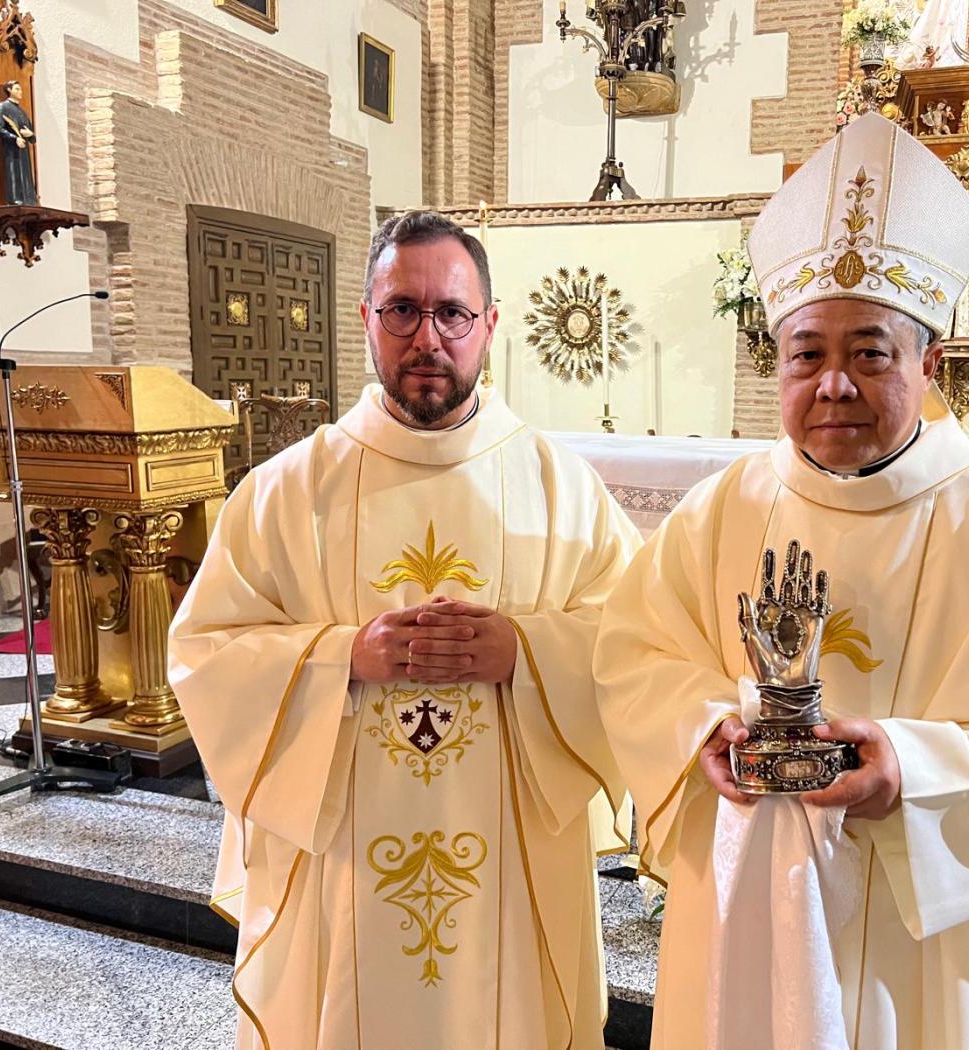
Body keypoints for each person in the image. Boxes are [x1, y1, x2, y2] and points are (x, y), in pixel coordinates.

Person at [594, 114, 969, 1049]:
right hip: (744, 899)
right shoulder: (722, 508)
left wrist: (917, 772)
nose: (834, 385)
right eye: (806, 353)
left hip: (920, 934)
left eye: (870, 352)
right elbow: (630, 658)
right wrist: (703, 729)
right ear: (777, 364)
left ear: (928, 364)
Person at [169, 211, 640, 1049]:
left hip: (511, 862)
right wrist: (339, 657)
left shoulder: (560, 487)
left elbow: (640, 645)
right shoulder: (287, 491)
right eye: (402, 310)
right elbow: (206, 651)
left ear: (489, 326)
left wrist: (526, 652)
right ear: (366, 320)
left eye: (452, 312)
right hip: (343, 861)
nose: (429, 336)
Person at [0, 80, 37, 206]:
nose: (20, 92)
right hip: (11, 149)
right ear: (9, 90)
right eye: (17, 89)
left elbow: (31, 135)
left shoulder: (22, 112)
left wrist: (31, 135)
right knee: (14, 172)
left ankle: (28, 199)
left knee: (26, 174)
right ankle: (15, 199)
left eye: (21, 89)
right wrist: (14, 138)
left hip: (24, 150)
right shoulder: (3, 107)